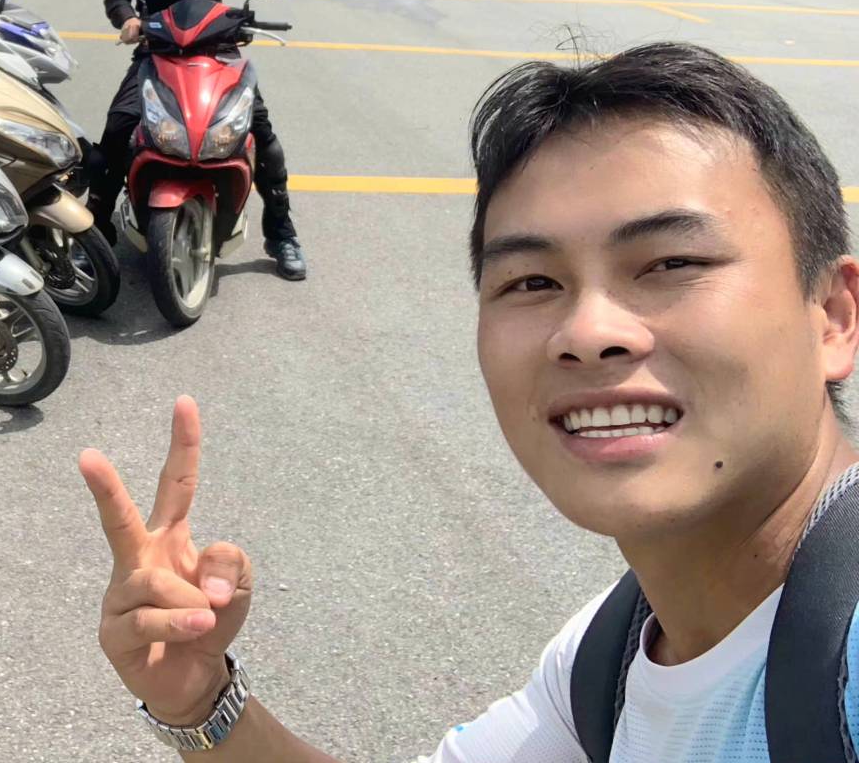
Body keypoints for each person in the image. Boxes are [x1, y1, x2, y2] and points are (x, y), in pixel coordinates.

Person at [79, 42, 859, 759]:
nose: (588, 332)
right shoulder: (609, 658)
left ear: (833, 317)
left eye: (670, 262)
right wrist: (201, 700)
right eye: (532, 282)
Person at [89, 0, 306, 281]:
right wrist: (127, 18)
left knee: (260, 136)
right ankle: (94, 232)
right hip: (156, 48)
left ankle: (281, 230)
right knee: (117, 129)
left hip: (217, 48)